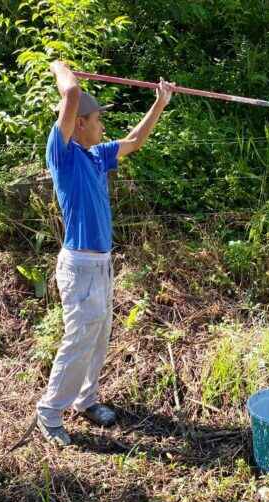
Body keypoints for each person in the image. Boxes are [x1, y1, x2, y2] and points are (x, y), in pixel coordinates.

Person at [36, 60, 175, 446]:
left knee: (99, 336)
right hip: (78, 265)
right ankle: (49, 412)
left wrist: (159, 104)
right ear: (78, 122)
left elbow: (134, 141)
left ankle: (86, 400)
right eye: (97, 119)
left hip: (101, 263)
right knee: (80, 337)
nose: (102, 126)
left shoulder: (97, 156)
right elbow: (71, 92)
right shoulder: (62, 153)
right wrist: (57, 66)